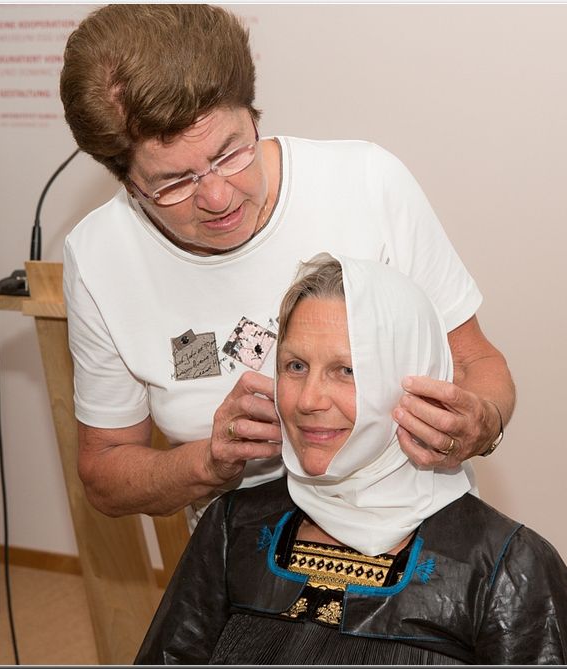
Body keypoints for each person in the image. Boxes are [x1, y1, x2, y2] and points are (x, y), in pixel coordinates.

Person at [59, 4, 515, 525]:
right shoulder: (100, 255)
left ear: (253, 115)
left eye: (230, 153)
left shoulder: (366, 184)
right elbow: (105, 473)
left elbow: (479, 365)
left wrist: (482, 423)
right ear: (128, 183)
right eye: (174, 182)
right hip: (243, 549)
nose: (217, 197)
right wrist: (209, 461)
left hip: (413, 532)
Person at [134, 254, 567, 664]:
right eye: (295, 366)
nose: (308, 400)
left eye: (347, 371)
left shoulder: (507, 568)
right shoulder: (233, 528)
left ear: (413, 381)